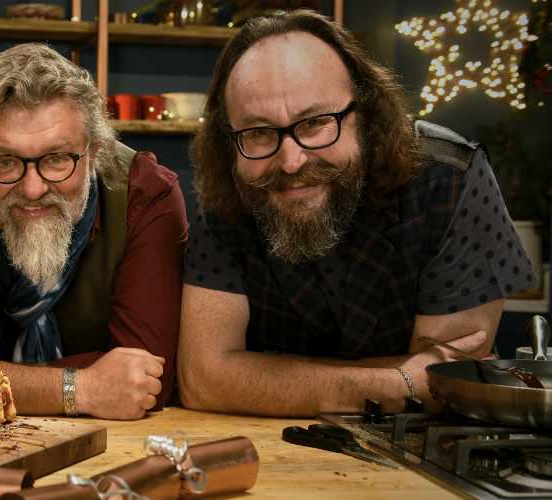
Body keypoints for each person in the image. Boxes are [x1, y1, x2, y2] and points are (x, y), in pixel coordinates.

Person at [177, 10, 534, 417]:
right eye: (258, 132)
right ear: (229, 138)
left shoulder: (452, 177)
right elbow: (204, 380)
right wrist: (398, 382)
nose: (291, 161)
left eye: (315, 123)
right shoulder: (230, 187)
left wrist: (261, 376)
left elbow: (449, 382)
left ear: (365, 115)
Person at [0, 43, 188, 420]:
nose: (32, 189)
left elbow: (143, 385)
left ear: (94, 154)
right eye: (5, 162)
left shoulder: (146, 194)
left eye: (57, 158)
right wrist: (81, 387)